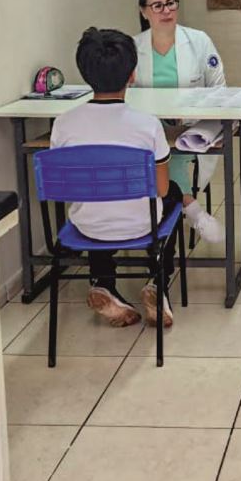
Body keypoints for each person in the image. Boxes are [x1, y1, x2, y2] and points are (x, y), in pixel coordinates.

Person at [50, 28, 183, 328]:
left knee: (100, 197)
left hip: (87, 225)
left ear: (85, 73)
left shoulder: (63, 124)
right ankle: (156, 283)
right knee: (173, 192)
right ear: (132, 74)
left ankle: (102, 283)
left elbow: (66, 183)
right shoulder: (147, 126)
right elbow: (160, 188)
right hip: (141, 225)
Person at [133, 0, 224, 243]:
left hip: (191, 128)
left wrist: (190, 111)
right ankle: (192, 209)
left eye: (171, 3)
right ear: (144, 11)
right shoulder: (133, 47)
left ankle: (179, 211)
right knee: (156, 147)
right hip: (151, 130)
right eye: (158, 5)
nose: (166, 11)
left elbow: (219, 90)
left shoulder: (199, 41)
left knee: (168, 154)